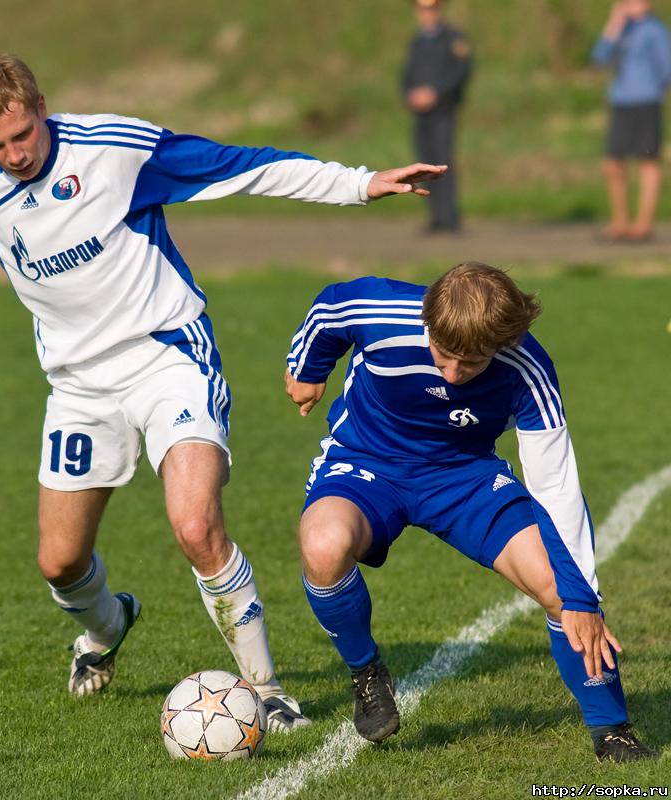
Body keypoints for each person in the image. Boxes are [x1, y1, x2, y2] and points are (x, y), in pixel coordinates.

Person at [0, 54, 446, 731]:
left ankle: (266, 692)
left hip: (166, 356)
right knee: (60, 563)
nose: (13, 154)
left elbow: (242, 164)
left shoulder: (116, 152)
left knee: (197, 525)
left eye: (21, 135)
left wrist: (359, 183)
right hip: (77, 388)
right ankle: (108, 627)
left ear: (42, 106)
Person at [284, 263, 657, 761]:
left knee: (558, 588)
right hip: (365, 463)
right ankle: (367, 672)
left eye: (472, 363)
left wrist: (582, 598)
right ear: (428, 322)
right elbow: (330, 309)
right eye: (444, 355)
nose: (454, 374)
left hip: (465, 476)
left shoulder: (527, 367)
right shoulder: (380, 310)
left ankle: (612, 730)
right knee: (323, 546)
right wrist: (309, 370)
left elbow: (555, 487)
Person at [592, 0, 671, 242]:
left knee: (648, 160)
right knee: (613, 163)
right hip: (621, 101)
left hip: (646, 101)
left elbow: (667, 68)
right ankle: (620, 222)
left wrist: (655, 89)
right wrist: (613, 24)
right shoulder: (622, 29)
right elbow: (599, 58)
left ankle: (643, 224)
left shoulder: (655, 30)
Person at [401, 0, 472, 233]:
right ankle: (435, 216)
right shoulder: (417, 41)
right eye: (422, 9)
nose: (427, 13)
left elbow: (460, 72)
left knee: (442, 163)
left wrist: (436, 93)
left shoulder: (453, 38)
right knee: (423, 165)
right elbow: (406, 75)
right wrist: (410, 94)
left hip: (443, 111)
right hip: (421, 114)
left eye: (430, 8)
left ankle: (450, 217)